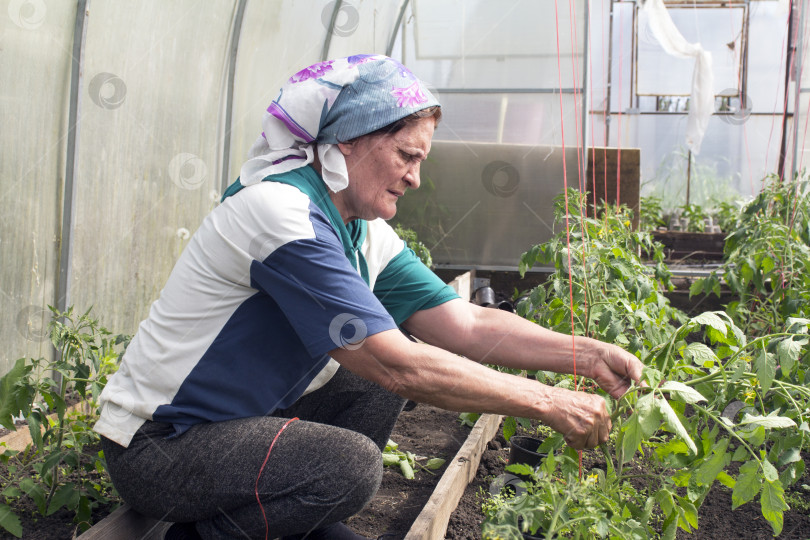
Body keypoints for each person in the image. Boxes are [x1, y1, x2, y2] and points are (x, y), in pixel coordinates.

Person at [95, 55, 644, 540]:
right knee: (350, 465)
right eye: (407, 155)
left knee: (365, 387)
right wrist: (547, 401)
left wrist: (589, 355)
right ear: (346, 141)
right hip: (161, 448)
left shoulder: (358, 229)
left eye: (421, 160)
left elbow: (469, 325)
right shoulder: (280, 215)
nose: (416, 177)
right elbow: (397, 365)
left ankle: (300, 523)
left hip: (235, 428)